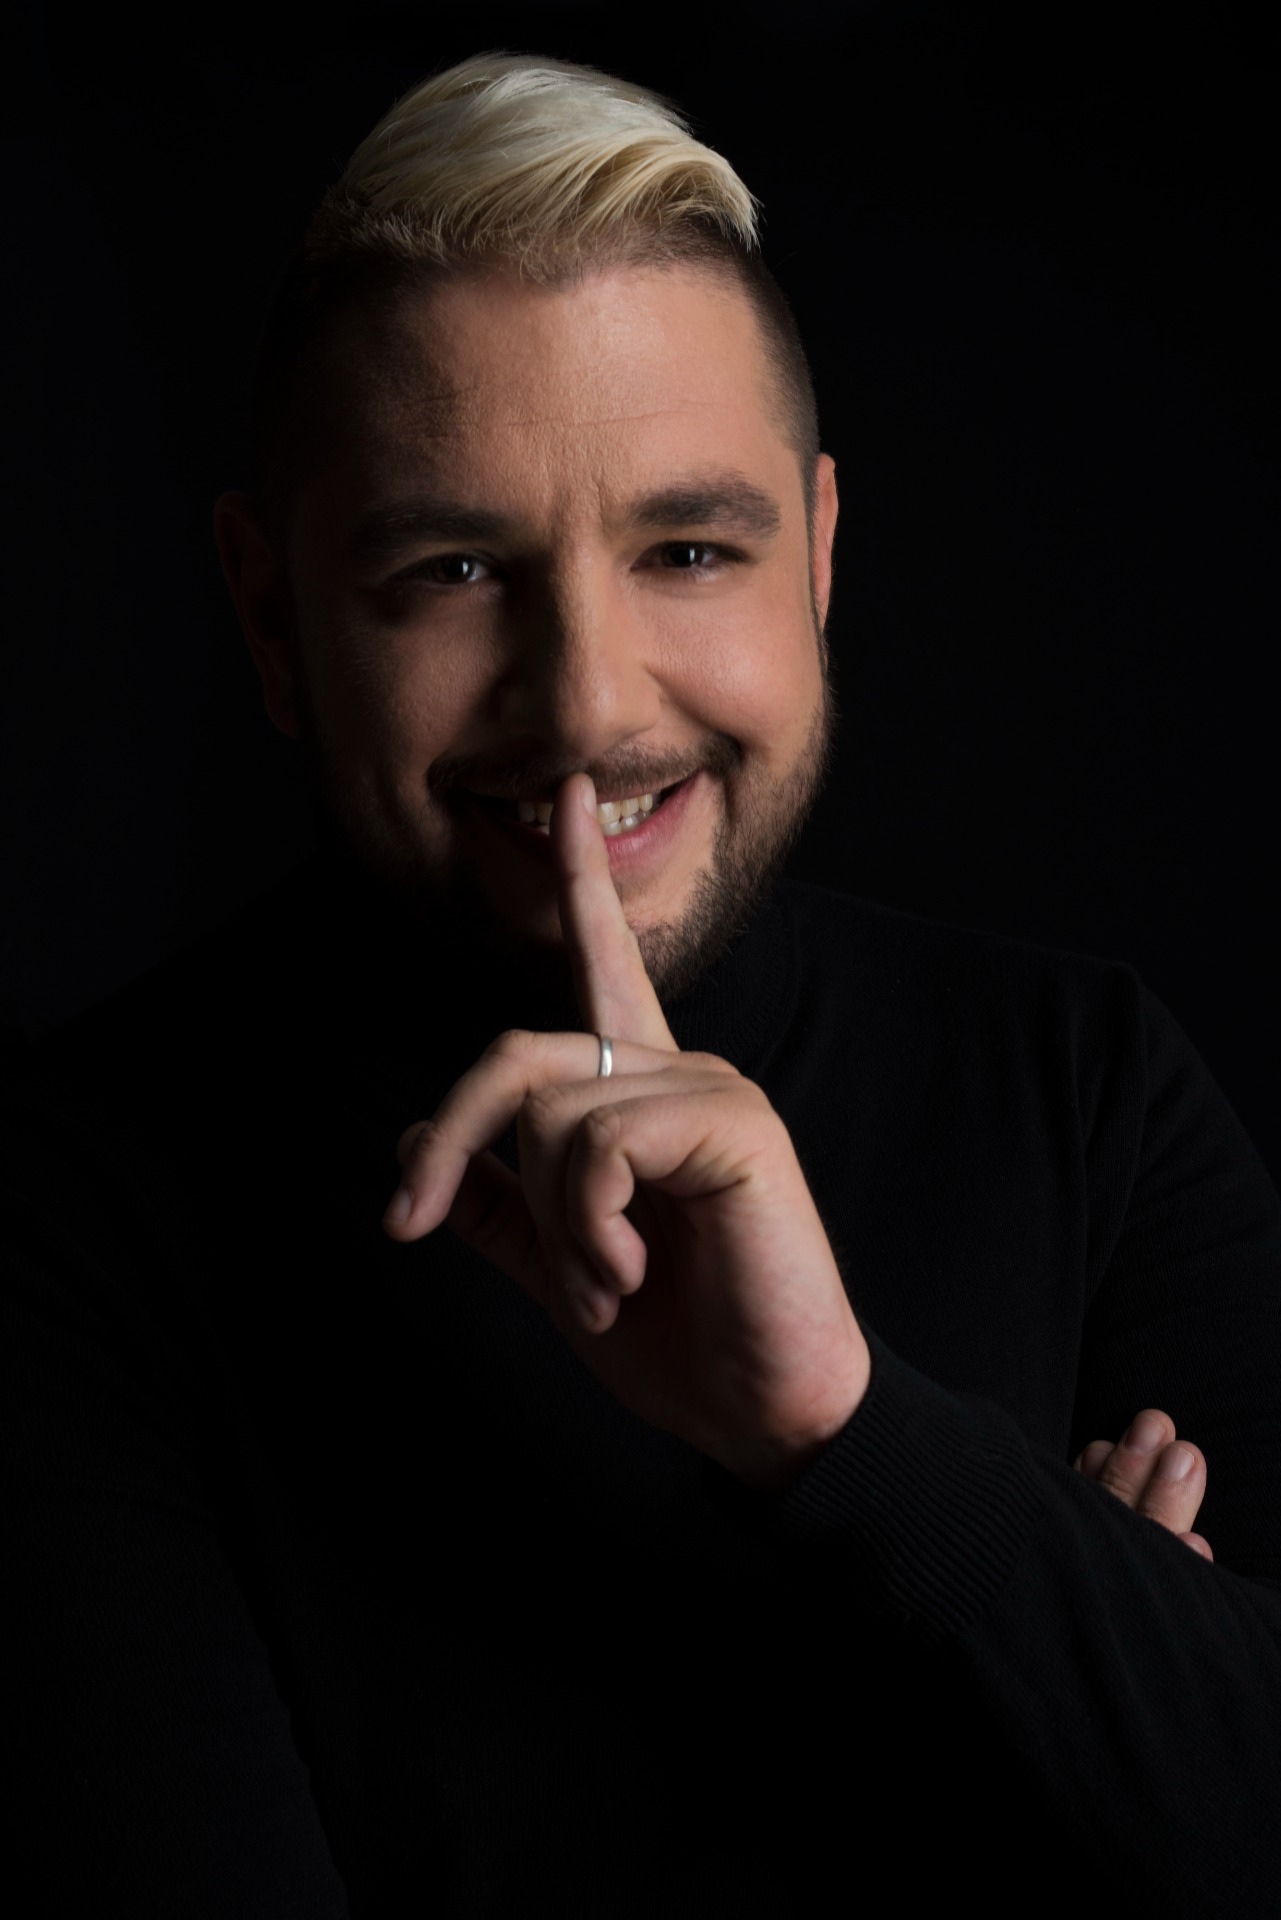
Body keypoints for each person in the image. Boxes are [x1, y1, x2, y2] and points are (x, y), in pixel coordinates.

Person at [3, 50, 1278, 1917]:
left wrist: (847, 1433)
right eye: (454, 568)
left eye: (686, 549)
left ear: (814, 562)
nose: (588, 701)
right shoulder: (53, 1217)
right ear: (273, 619)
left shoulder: (1082, 1082)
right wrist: (1044, 1714)